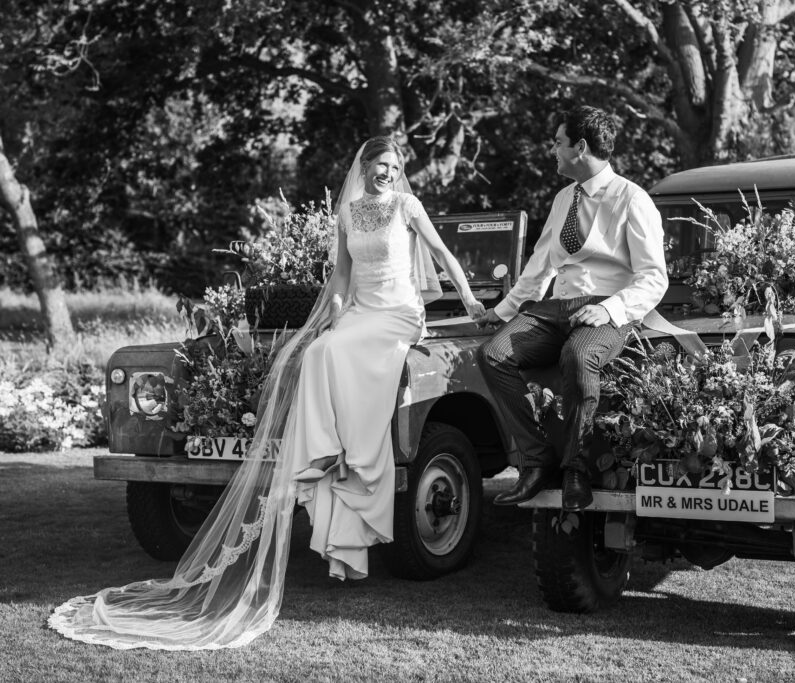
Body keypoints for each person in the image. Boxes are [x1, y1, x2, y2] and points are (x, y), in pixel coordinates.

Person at [47, 136, 486, 650]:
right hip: (363, 312)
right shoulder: (348, 213)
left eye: (394, 165)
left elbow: (441, 254)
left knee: (335, 354)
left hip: (399, 314)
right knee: (320, 351)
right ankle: (324, 453)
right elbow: (342, 276)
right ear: (363, 167)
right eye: (379, 165)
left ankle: (358, 455)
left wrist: (472, 298)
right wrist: (335, 311)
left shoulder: (408, 206)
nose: (387, 172)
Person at [477, 106, 668, 512]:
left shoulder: (632, 198)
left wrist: (611, 310)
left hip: (607, 310)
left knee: (578, 355)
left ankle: (576, 470)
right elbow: (540, 264)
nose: (553, 150)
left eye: (558, 143)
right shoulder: (566, 197)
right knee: (493, 355)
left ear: (580, 147)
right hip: (557, 307)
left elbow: (654, 277)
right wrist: (504, 309)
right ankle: (536, 460)